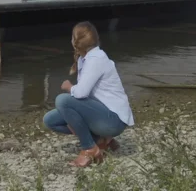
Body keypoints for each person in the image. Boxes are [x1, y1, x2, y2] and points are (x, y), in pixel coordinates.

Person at [43, 21, 134, 167]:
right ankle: (100, 141)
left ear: (75, 42)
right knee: (50, 120)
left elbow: (81, 93)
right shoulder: (84, 59)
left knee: (63, 101)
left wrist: (69, 87)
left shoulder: (96, 59)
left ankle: (89, 148)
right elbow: (85, 96)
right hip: (101, 113)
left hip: (113, 120)